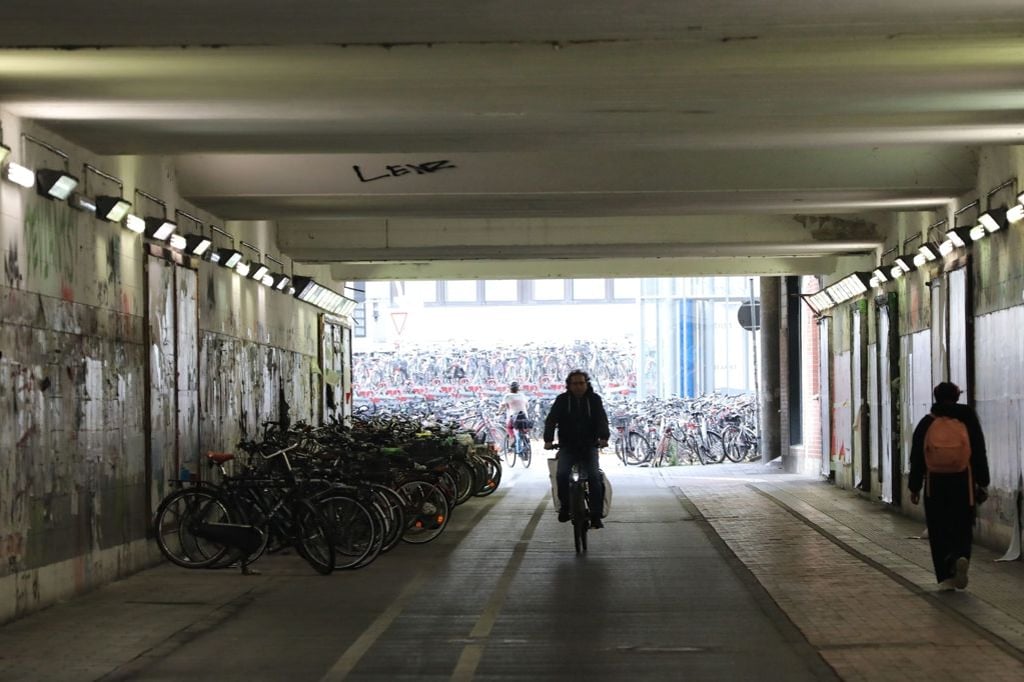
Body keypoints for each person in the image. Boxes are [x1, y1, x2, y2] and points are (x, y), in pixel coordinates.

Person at [909, 381, 989, 591]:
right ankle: (961, 556)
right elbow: (979, 451)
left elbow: (917, 456)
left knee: (938, 528)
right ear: (956, 397)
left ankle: (946, 575)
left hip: (935, 484)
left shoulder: (927, 422)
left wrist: (914, 487)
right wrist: (983, 483)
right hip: (964, 482)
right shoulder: (968, 420)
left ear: (936, 398)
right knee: (963, 525)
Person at [543, 369, 610, 528]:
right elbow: (551, 420)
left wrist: (603, 438)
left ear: (587, 384)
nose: (578, 386)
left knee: (594, 476)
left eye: (581, 383)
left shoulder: (594, 400)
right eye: (575, 384)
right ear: (569, 385)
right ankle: (565, 508)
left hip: (589, 446)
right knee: (561, 474)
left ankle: (595, 515)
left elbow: (601, 419)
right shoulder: (562, 400)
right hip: (568, 446)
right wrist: (548, 440)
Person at [499, 381, 530, 453]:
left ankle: (513, 438)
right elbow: (527, 406)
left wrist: (498, 413)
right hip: (524, 416)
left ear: (510, 388)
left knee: (509, 427)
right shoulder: (522, 395)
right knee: (524, 429)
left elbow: (502, 406)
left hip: (514, 417)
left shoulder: (508, 396)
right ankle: (526, 439)